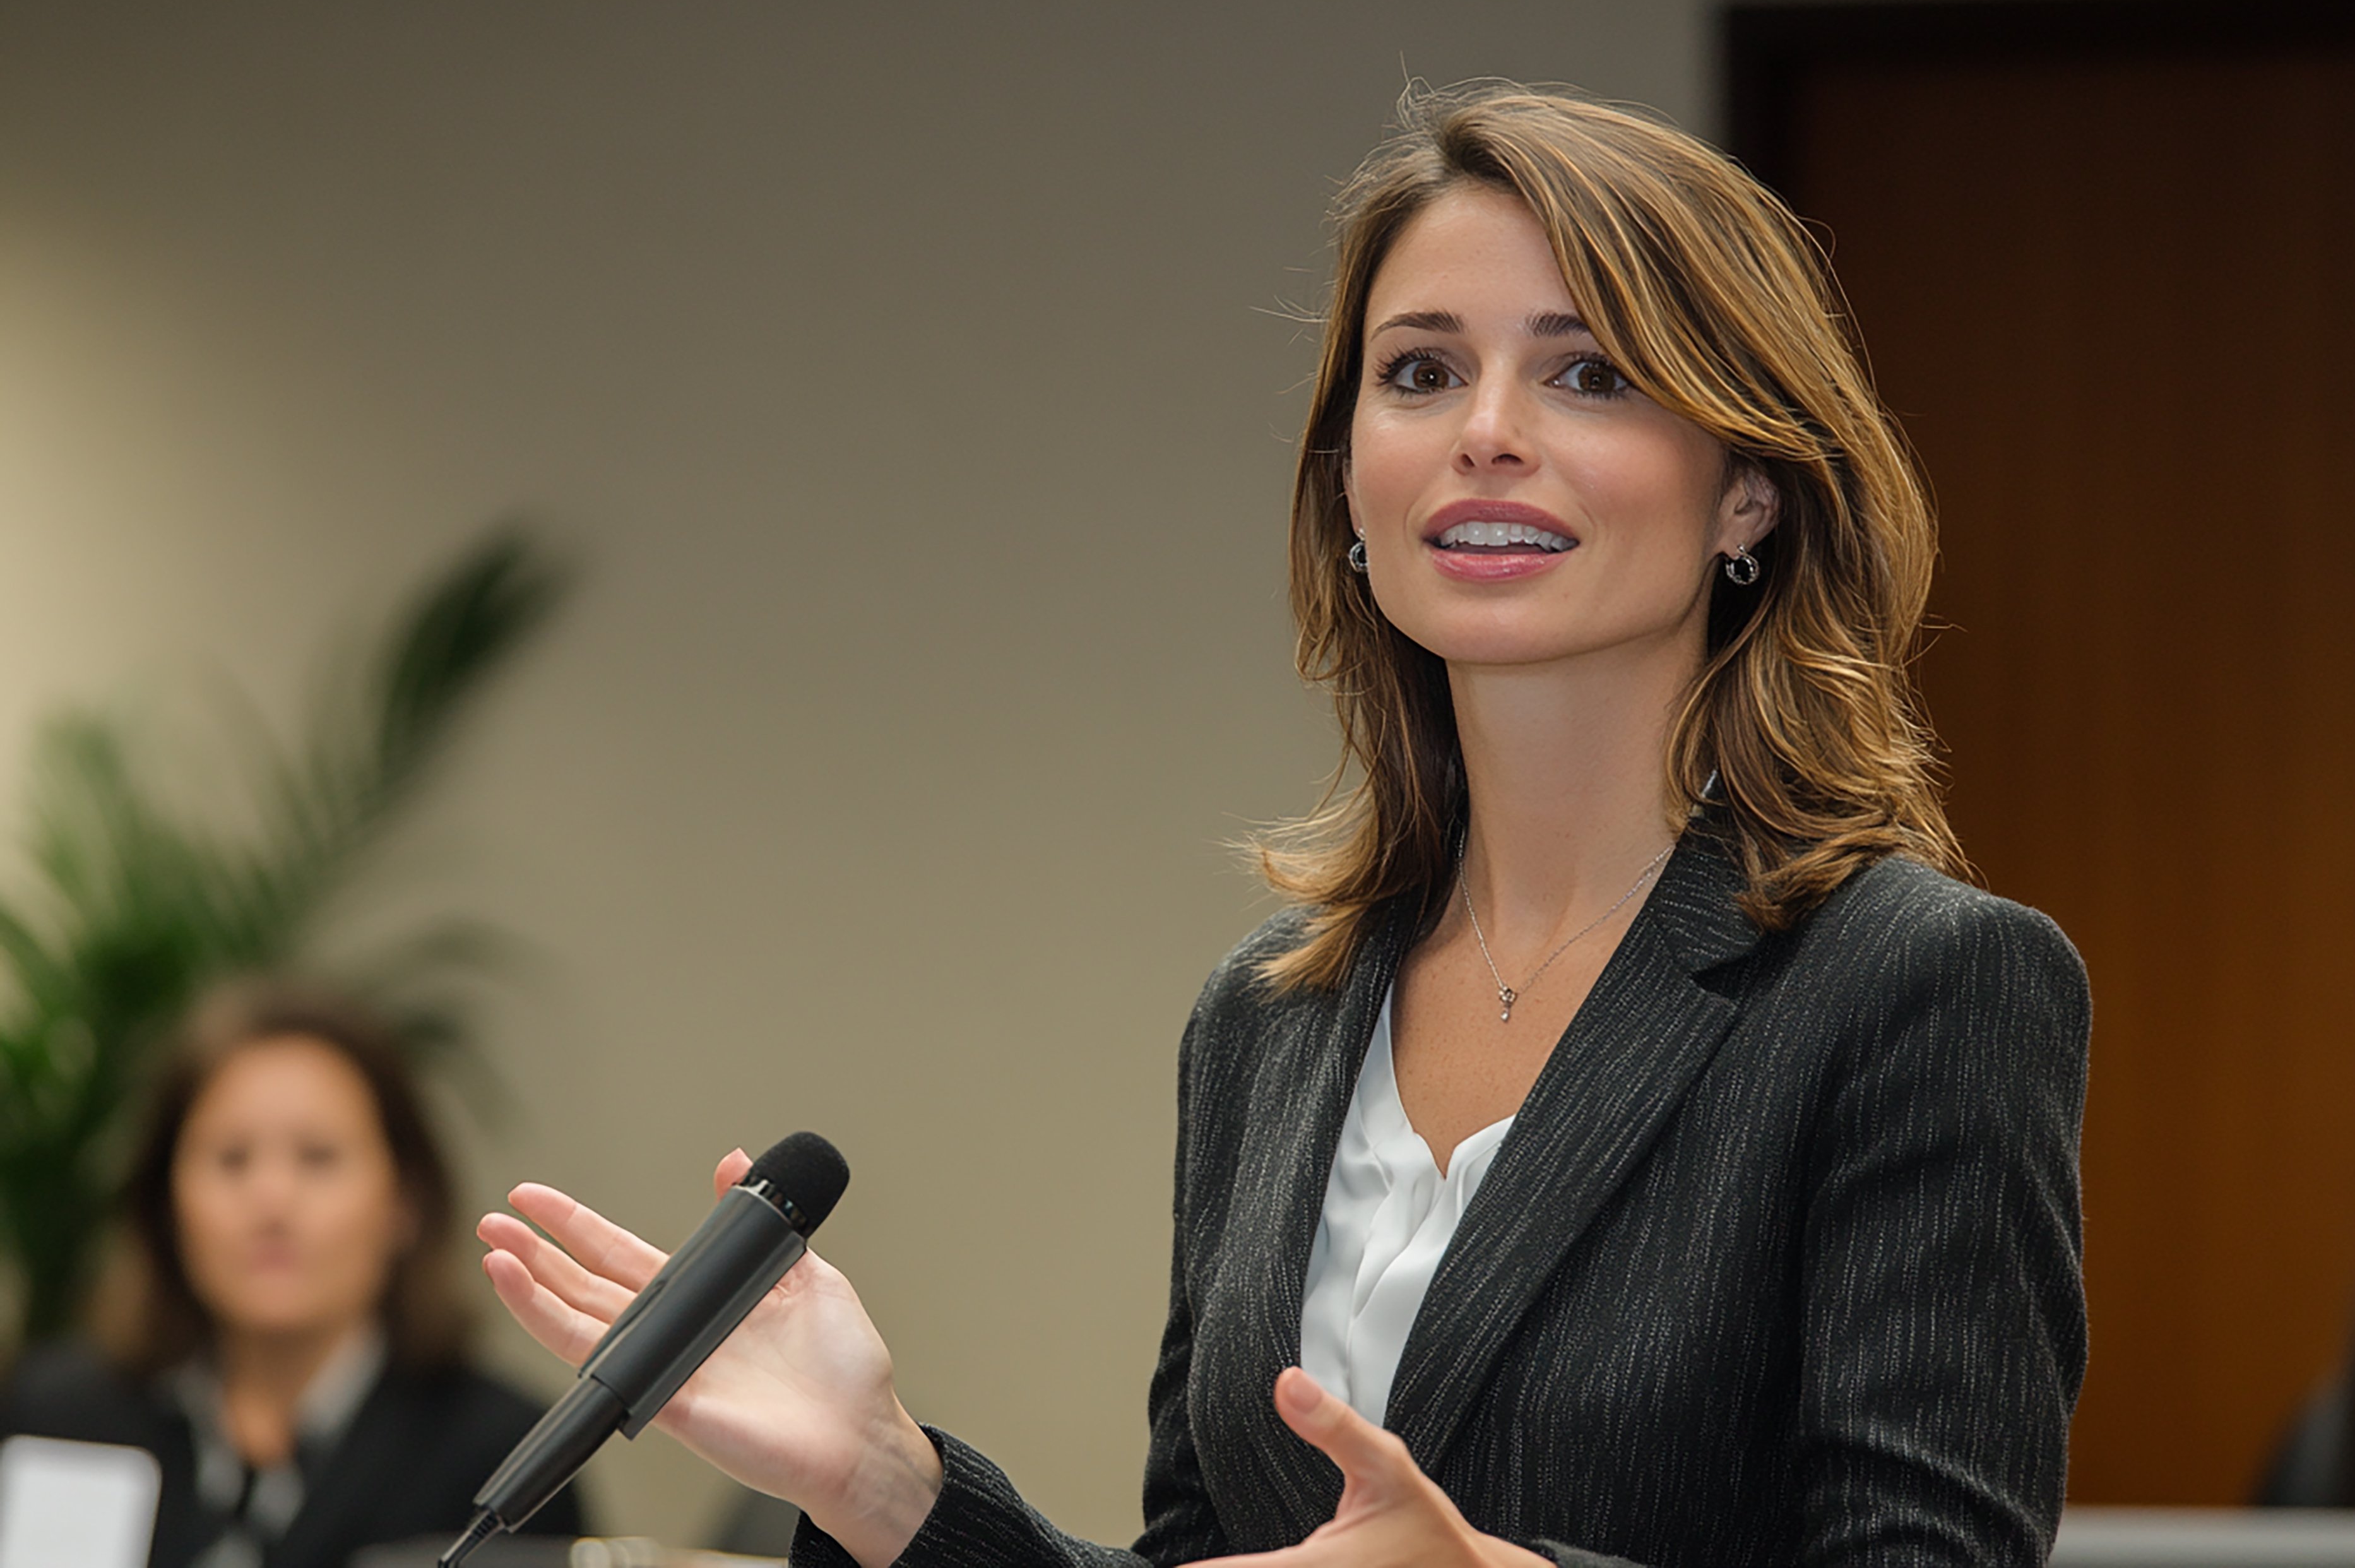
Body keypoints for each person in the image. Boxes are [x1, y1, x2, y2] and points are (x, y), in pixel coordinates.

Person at [476, 82, 2090, 1567]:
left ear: (1748, 487)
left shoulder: (1918, 986)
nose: (1486, 428)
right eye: (1422, 369)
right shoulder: (1272, 1013)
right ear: (1348, 485)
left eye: (1587, 369)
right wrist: (881, 1476)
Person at [0, 983, 586, 1567]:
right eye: (232, 1158)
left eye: (318, 1156)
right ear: (164, 1200)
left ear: (403, 1199)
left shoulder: (504, 1453)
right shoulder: (62, 1417)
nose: (272, 1201)